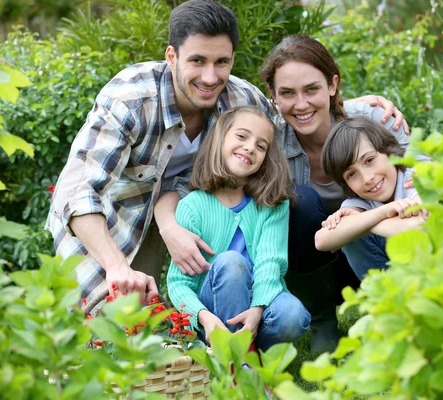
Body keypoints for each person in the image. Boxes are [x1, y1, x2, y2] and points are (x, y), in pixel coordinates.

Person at [45, 0, 403, 310]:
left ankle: (244, 327)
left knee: (161, 325)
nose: (210, 76)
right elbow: (76, 191)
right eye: (197, 61)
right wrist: (116, 266)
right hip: (116, 220)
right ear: (172, 56)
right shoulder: (130, 99)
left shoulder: (239, 99)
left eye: (222, 62)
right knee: (107, 328)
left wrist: (360, 108)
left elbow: (294, 114)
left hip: (201, 219)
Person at [259, 34, 410, 353]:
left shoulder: (372, 119)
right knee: (298, 200)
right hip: (317, 260)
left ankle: (395, 305)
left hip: (383, 247)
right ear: (273, 96)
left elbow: (418, 174)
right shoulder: (268, 143)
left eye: (312, 89)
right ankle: (322, 320)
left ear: (332, 84)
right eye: (287, 93)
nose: (300, 104)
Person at [165, 106, 310, 350]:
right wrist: (203, 317)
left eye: (261, 146)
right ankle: (233, 359)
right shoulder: (192, 206)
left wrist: (257, 309)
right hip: (214, 317)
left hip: (260, 304)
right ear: (220, 139)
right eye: (242, 137)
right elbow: (179, 284)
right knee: (231, 262)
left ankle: (249, 352)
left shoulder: (272, 204)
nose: (250, 147)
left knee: (293, 314)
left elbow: (270, 263)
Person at [316, 116, 443, 279]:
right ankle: (388, 298)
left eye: (369, 160)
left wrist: (367, 224)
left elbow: (419, 227)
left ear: (388, 151)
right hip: (421, 278)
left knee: (353, 228)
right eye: (351, 174)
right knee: (350, 236)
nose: (367, 178)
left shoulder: (416, 178)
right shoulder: (358, 202)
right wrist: (382, 212)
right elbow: (321, 240)